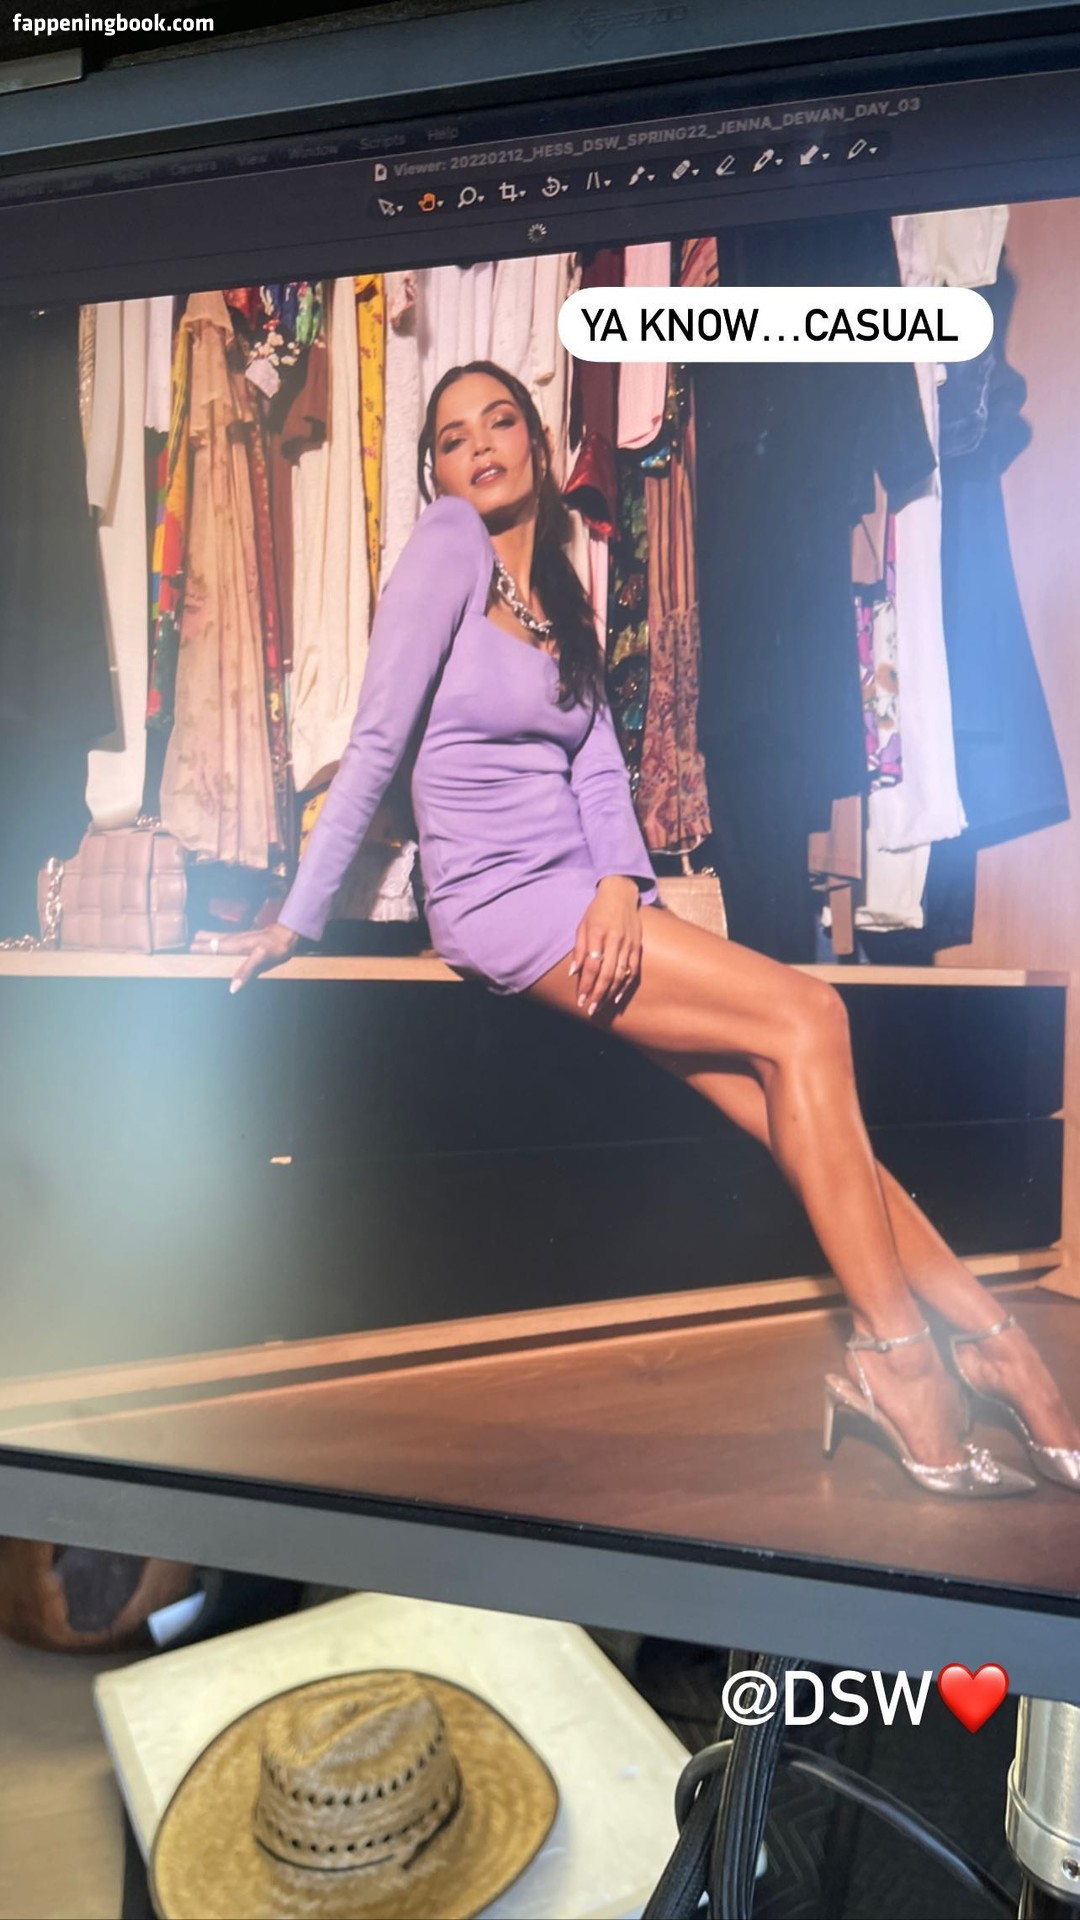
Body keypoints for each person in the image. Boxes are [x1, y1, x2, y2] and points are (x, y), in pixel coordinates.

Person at [193, 359, 1080, 1499]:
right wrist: (295, 918)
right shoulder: (446, 547)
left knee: (797, 1108)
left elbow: (602, 769)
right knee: (810, 1014)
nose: (481, 447)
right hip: (500, 899)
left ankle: (989, 1351)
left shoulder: (562, 589)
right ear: (436, 471)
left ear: (538, 440)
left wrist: (623, 881)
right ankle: (919, 1360)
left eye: (500, 422)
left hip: (586, 892)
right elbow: (374, 742)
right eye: (454, 437)